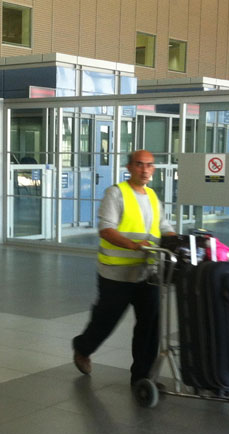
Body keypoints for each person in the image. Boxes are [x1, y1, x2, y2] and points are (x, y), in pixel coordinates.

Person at [72, 149, 176, 386]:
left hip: (147, 273)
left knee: (149, 325)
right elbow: (106, 229)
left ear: (154, 169)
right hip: (116, 274)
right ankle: (83, 347)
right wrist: (132, 245)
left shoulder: (152, 197)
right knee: (105, 320)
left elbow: (164, 225)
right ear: (129, 167)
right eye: (139, 164)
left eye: (149, 165)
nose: (145, 169)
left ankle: (142, 377)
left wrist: (175, 239)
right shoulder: (116, 194)